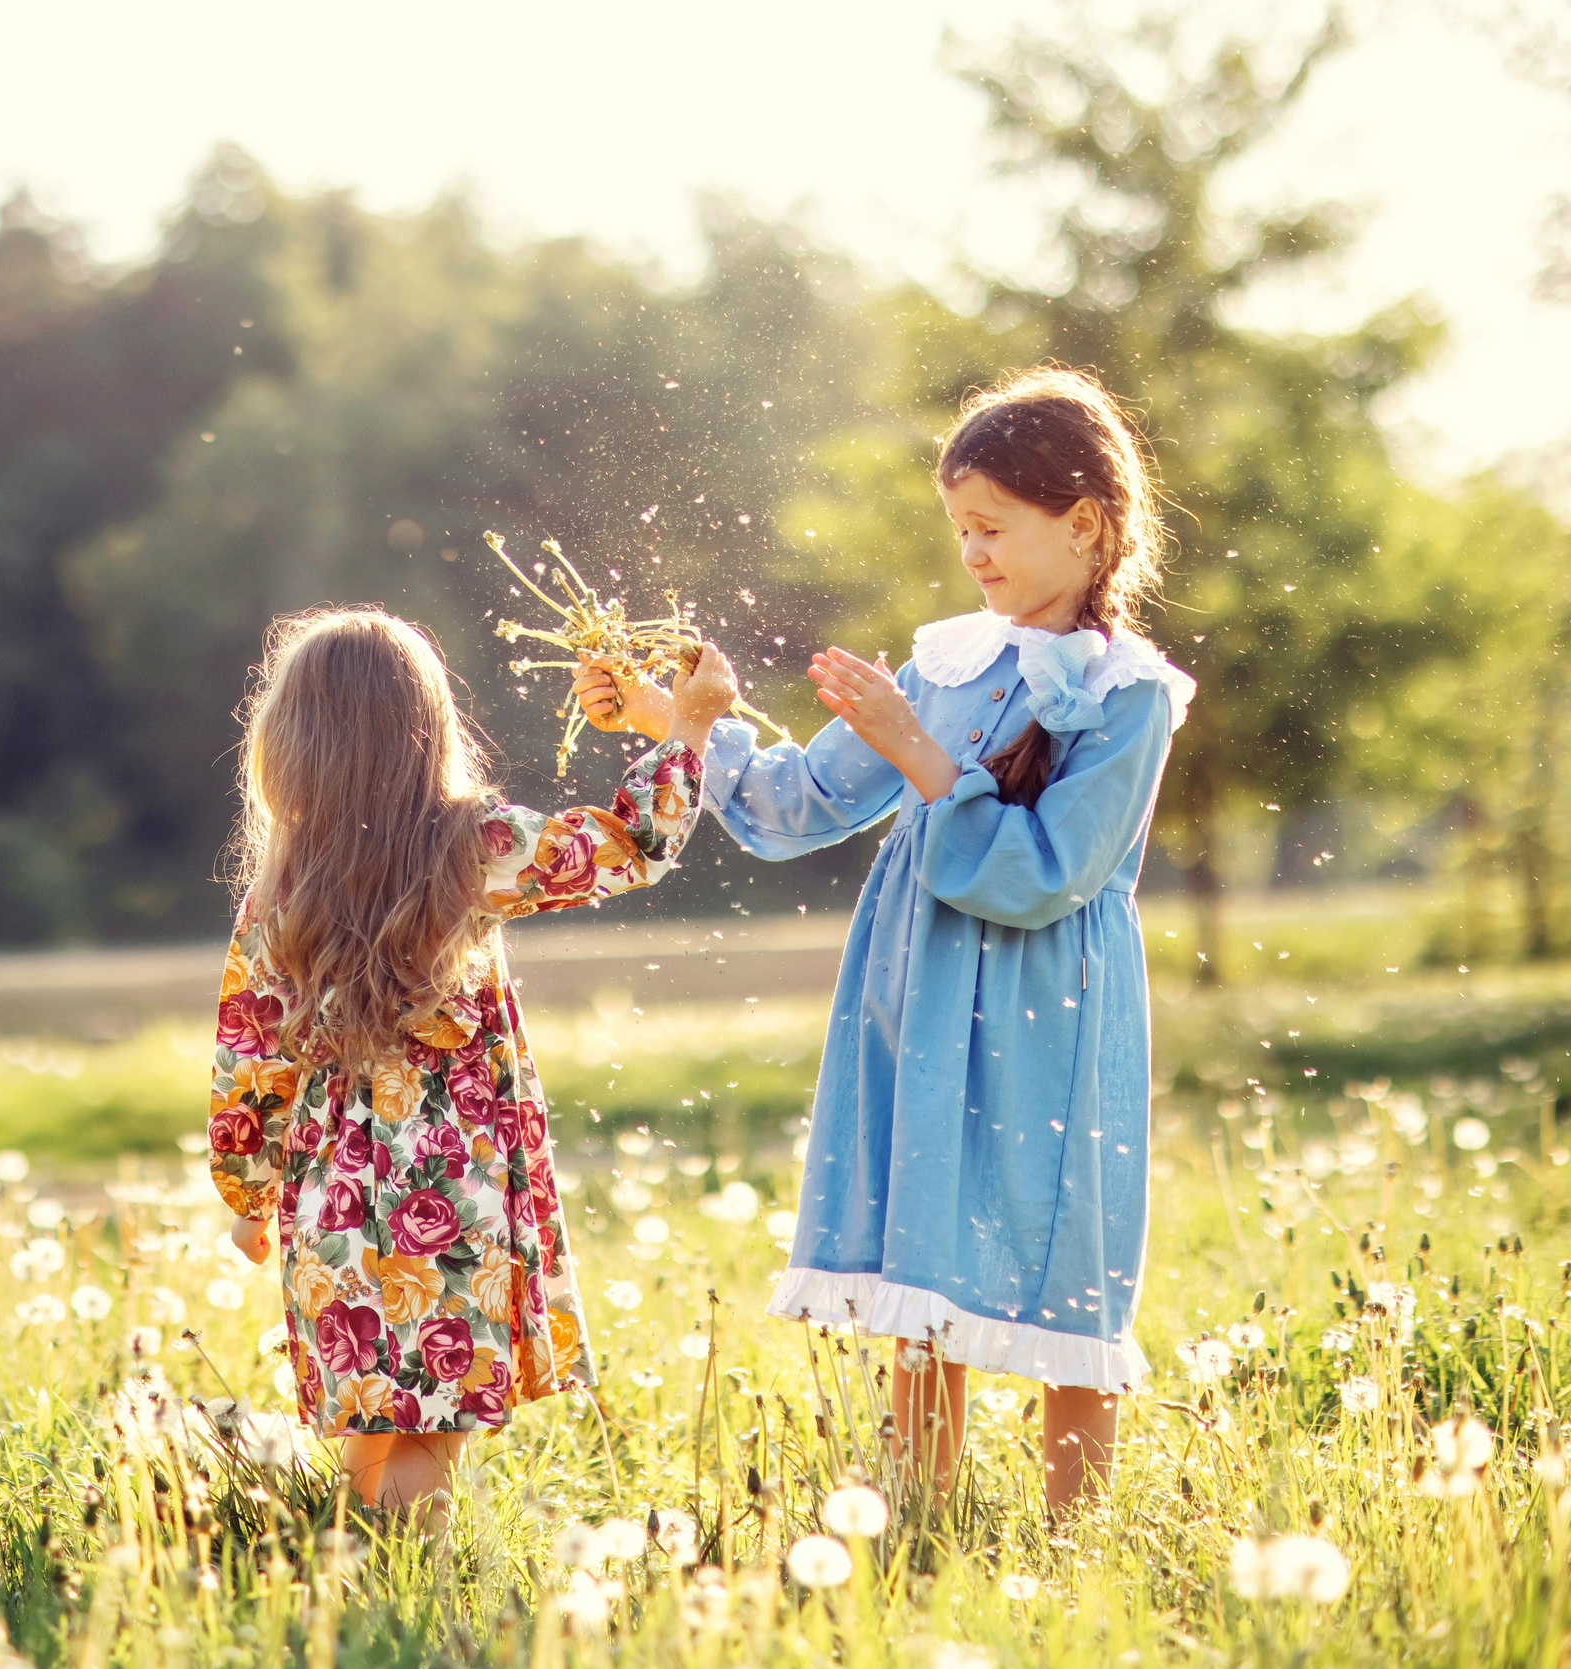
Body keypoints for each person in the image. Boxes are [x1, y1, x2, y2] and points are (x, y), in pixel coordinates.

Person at [577, 367, 1194, 1512]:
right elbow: (792, 805)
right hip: (917, 1002)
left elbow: (1050, 875)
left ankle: (1075, 1532)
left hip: (1046, 1010)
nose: (973, 553)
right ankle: (921, 1509)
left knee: (1062, 1238)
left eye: (994, 528)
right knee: (927, 1251)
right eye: (959, 529)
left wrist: (919, 754)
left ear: (1085, 524)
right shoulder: (947, 663)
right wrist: (681, 722)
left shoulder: (1130, 697)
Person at [205, 607, 735, 1518]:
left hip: (332, 1193)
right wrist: (688, 726)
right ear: (427, 729)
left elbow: (248, 1061)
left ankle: (360, 1582)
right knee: (428, 1425)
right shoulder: (476, 846)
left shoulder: (277, 888)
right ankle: (405, 1604)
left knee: (376, 1415)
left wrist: (251, 1196)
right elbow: (631, 845)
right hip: (449, 1190)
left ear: (287, 741)